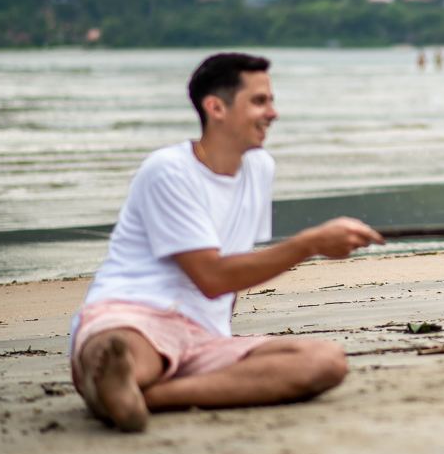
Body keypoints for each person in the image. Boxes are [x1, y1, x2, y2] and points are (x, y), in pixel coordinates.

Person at [70, 53, 384, 432]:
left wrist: (221, 336)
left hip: (203, 337)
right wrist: (309, 243)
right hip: (135, 315)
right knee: (132, 351)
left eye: (270, 100)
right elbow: (213, 277)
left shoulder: (259, 167)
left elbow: (233, 269)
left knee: (325, 361)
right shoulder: (169, 169)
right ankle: (117, 374)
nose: (273, 113)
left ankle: (141, 396)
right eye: (259, 101)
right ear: (215, 107)